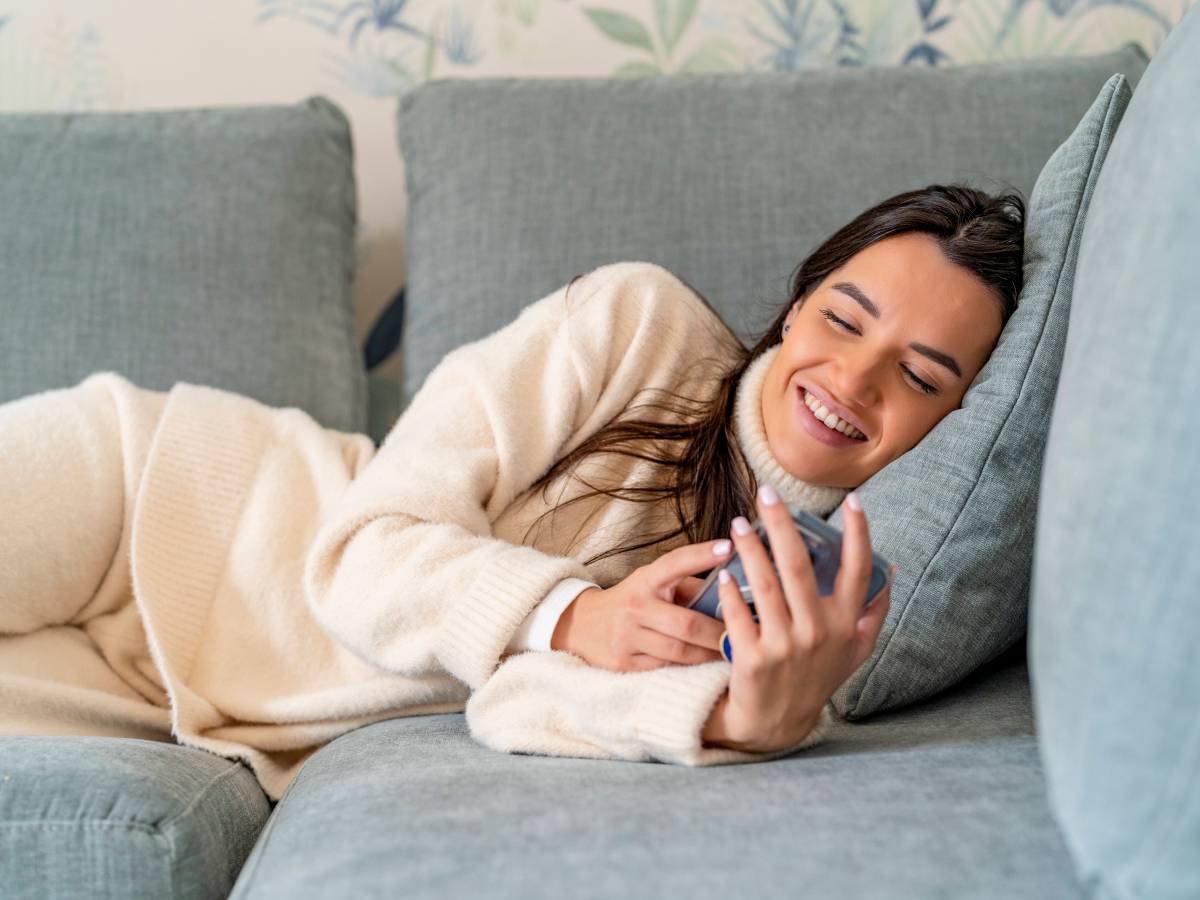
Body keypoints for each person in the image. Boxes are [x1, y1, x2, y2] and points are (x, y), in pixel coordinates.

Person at [0, 182, 1024, 801]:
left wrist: (749, 723)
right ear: (800, 305)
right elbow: (366, 547)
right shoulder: (641, 325)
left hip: (183, 697)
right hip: (171, 491)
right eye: (844, 320)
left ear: (961, 418)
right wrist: (574, 612)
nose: (854, 380)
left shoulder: (813, 606)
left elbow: (519, 706)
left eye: (922, 377)